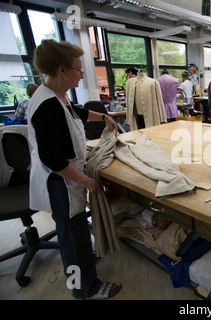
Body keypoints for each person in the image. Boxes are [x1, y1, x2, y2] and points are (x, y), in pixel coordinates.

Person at [27, 39, 120, 300]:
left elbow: (75, 113)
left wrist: (103, 117)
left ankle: (83, 271)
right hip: (61, 182)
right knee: (72, 239)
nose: (81, 75)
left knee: (75, 233)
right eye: (79, 70)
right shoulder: (46, 106)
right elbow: (52, 160)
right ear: (61, 69)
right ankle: (84, 289)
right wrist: (87, 182)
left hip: (66, 178)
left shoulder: (57, 96)